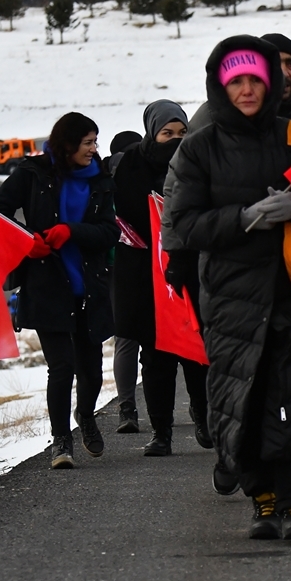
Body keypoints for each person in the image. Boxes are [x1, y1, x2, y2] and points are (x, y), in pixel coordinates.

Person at [169, 35, 291, 541]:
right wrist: (242, 220)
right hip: (233, 294)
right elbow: (184, 224)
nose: (246, 90)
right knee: (246, 393)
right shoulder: (199, 147)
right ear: (220, 85)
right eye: (235, 81)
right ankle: (262, 498)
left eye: (254, 80)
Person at [0, 112, 118, 470]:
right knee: (62, 367)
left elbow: (109, 232)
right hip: (47, 285)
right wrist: (25, 239)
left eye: (96, 141)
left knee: (91, 371)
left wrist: (71, 231)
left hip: (89, 286)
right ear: (67, 144)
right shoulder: (32, 173)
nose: (94, 149)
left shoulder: (101, 181)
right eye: (87, 142)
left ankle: (86, 415)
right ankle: (61, 440)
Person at [110, 101, 212, 457]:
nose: (176, 140)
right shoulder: (130, 166)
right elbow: (122, 214)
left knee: (197, 353)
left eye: (182, 133)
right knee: (155, 357)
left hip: (191, 269)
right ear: (152, 132)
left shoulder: (198, 160)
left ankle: (203, 416)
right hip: (146, 276)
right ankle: (161, 431)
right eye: (167, 133)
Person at [106, 129, 143, 434]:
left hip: (116, 265)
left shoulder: (103, 177)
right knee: (165, 339)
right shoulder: (144, 168)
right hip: (152, 261)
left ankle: (126, 408)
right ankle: (188, 410)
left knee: (126, 341)